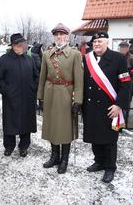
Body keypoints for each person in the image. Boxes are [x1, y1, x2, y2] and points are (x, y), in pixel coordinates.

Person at [82, 32, 130, 183]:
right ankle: (99, 161)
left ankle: (110, 167)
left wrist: (119, 105)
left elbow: (126, 84)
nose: (96, 44)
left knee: (109, 139)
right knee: (94, 136)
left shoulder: (118, 58)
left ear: (107, 42)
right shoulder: (88, 59)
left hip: (109, 107)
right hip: (91, 106)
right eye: (94, 42)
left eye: (100, 41)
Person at [37, 23, 83, 174]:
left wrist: (78, 101)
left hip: (66, 94)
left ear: (67, 36)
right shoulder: (47, 54)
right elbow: (42, 77)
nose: (59, 37)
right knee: (51, 125)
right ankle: (54, 156)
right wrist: (41, 97)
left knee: (65, 127)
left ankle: (64, 160)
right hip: (50, 93)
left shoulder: (75, 54)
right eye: (56, 34)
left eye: (62, 34)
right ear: (54, 37)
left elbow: (79, 80)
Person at [0, 33, 38, 157]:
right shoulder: (4, 59)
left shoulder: (29, 59)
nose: (21, 47)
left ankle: (24, 146)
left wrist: (33, 88)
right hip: (11, 98)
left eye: (22, 45)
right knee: (10, 122)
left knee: (26, 123)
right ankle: (9, 146)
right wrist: (7, 91)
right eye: (18, 45)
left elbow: (36, 76)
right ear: (13, 46)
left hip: (28, 97)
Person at [119, 41, 133, 120]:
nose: (122, 49)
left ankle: (124, 118)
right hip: (117, 80)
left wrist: (131, 73)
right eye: (121, 47)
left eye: (124, 47)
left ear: (128, 48)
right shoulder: (117, 56)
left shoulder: (132, 57)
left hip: (128, 80)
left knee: (126, 98)